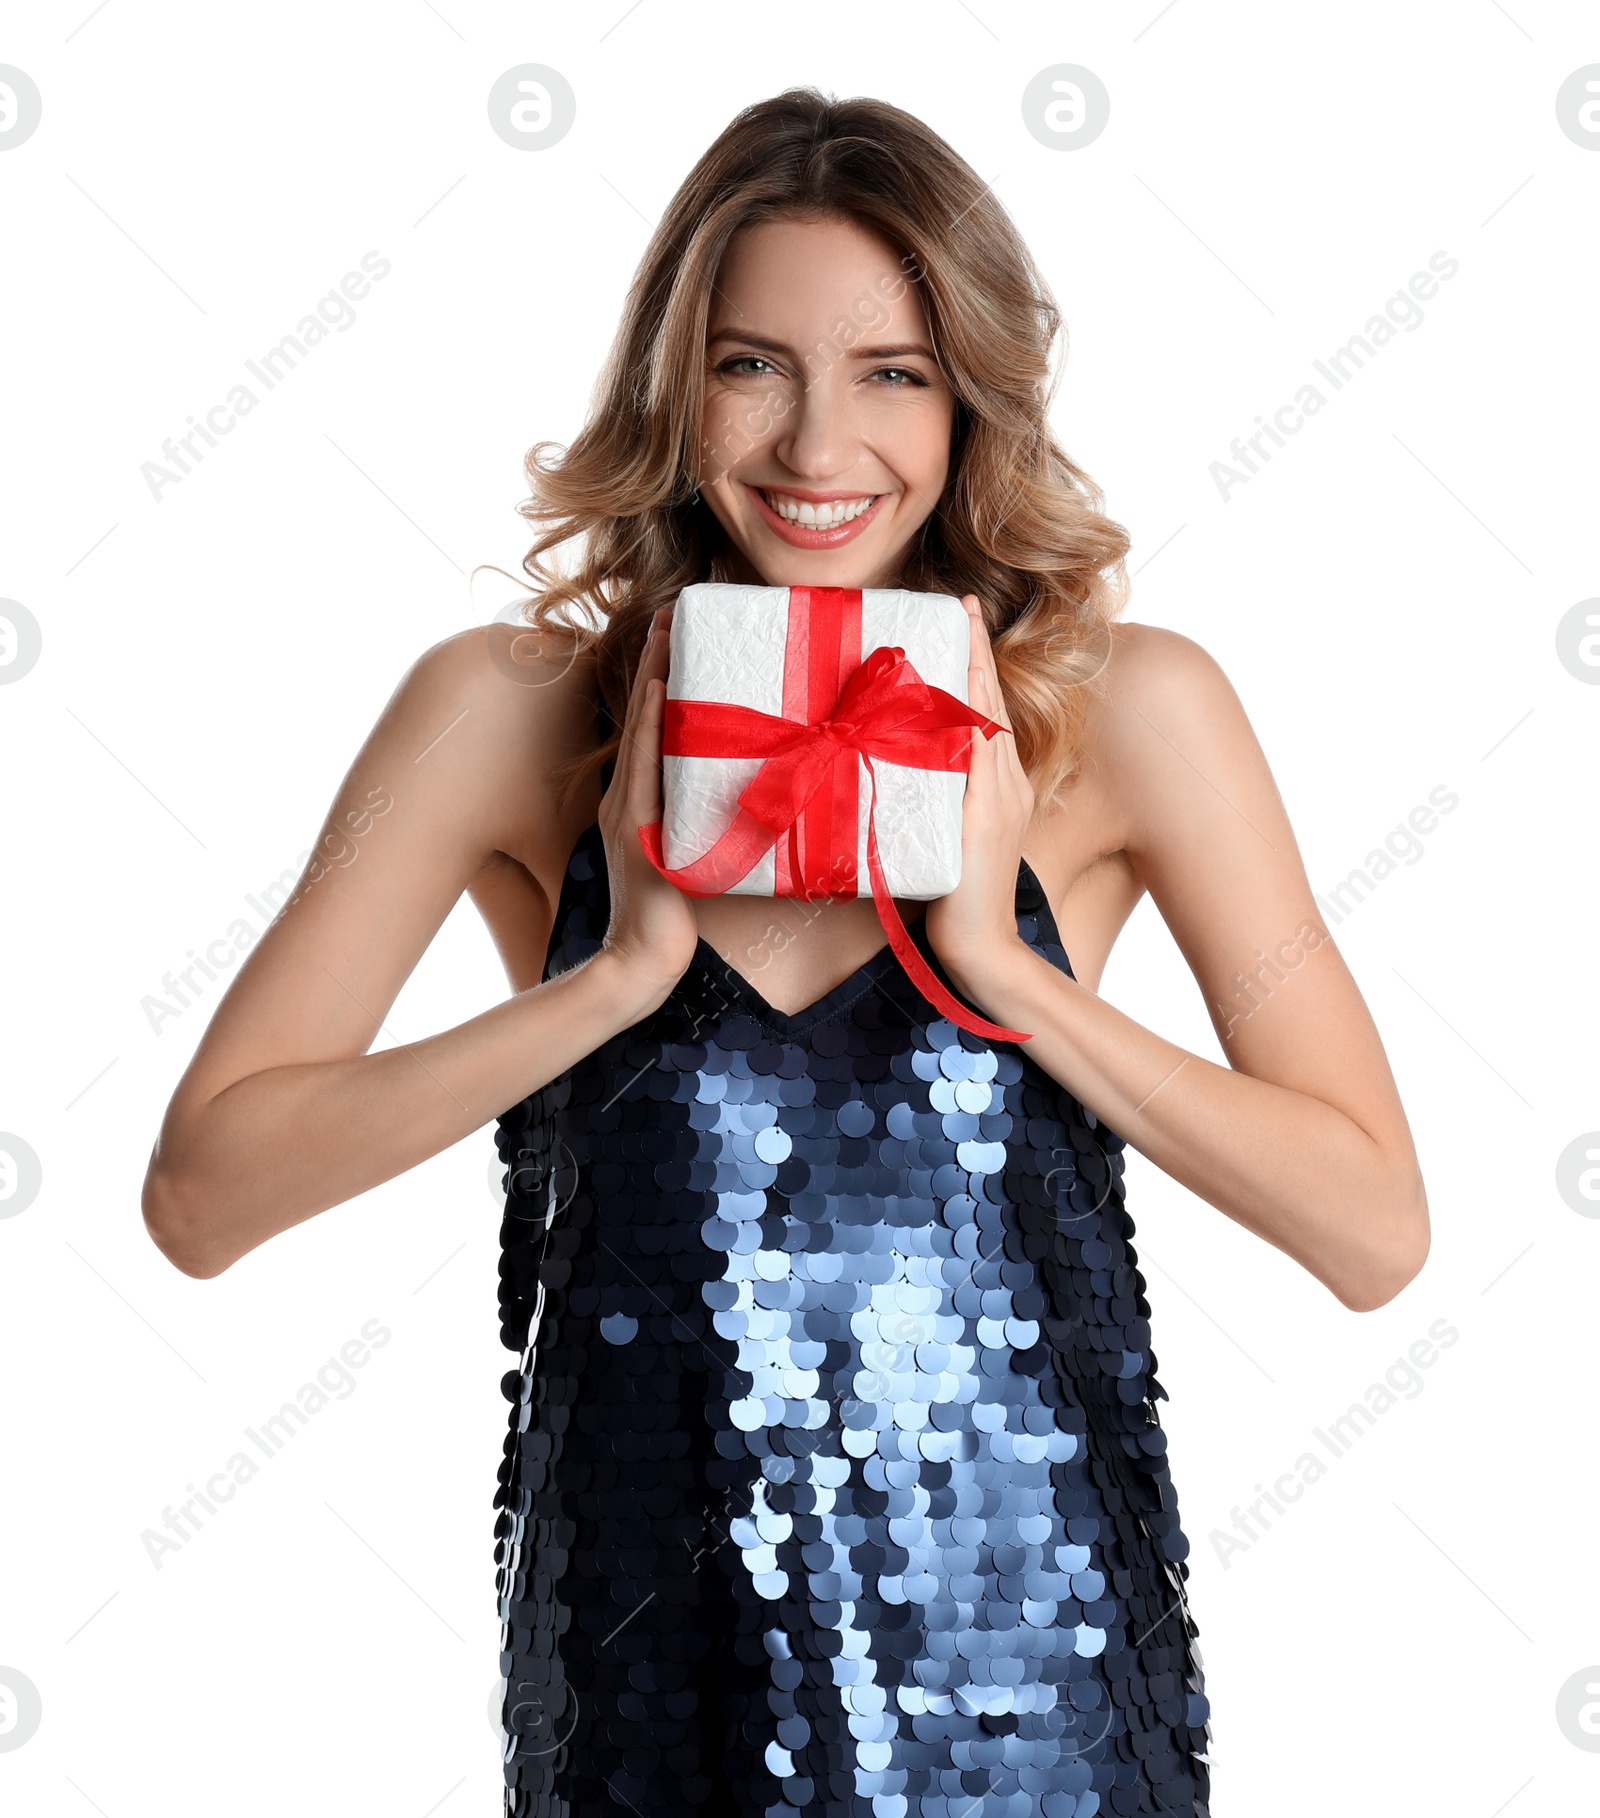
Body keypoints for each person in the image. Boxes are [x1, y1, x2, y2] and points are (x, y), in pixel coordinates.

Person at [143, 88, 1429, 1818]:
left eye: (892, 371)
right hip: (646, 1708)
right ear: (678, 385)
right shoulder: (508, 714)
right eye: (755, 364)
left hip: (1037, 1717)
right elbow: (205, 1192)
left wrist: (1008, 967)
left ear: (972, 396)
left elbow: (1372, 1227)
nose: (821, 448)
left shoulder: (1132, 712)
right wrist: (609, 975)